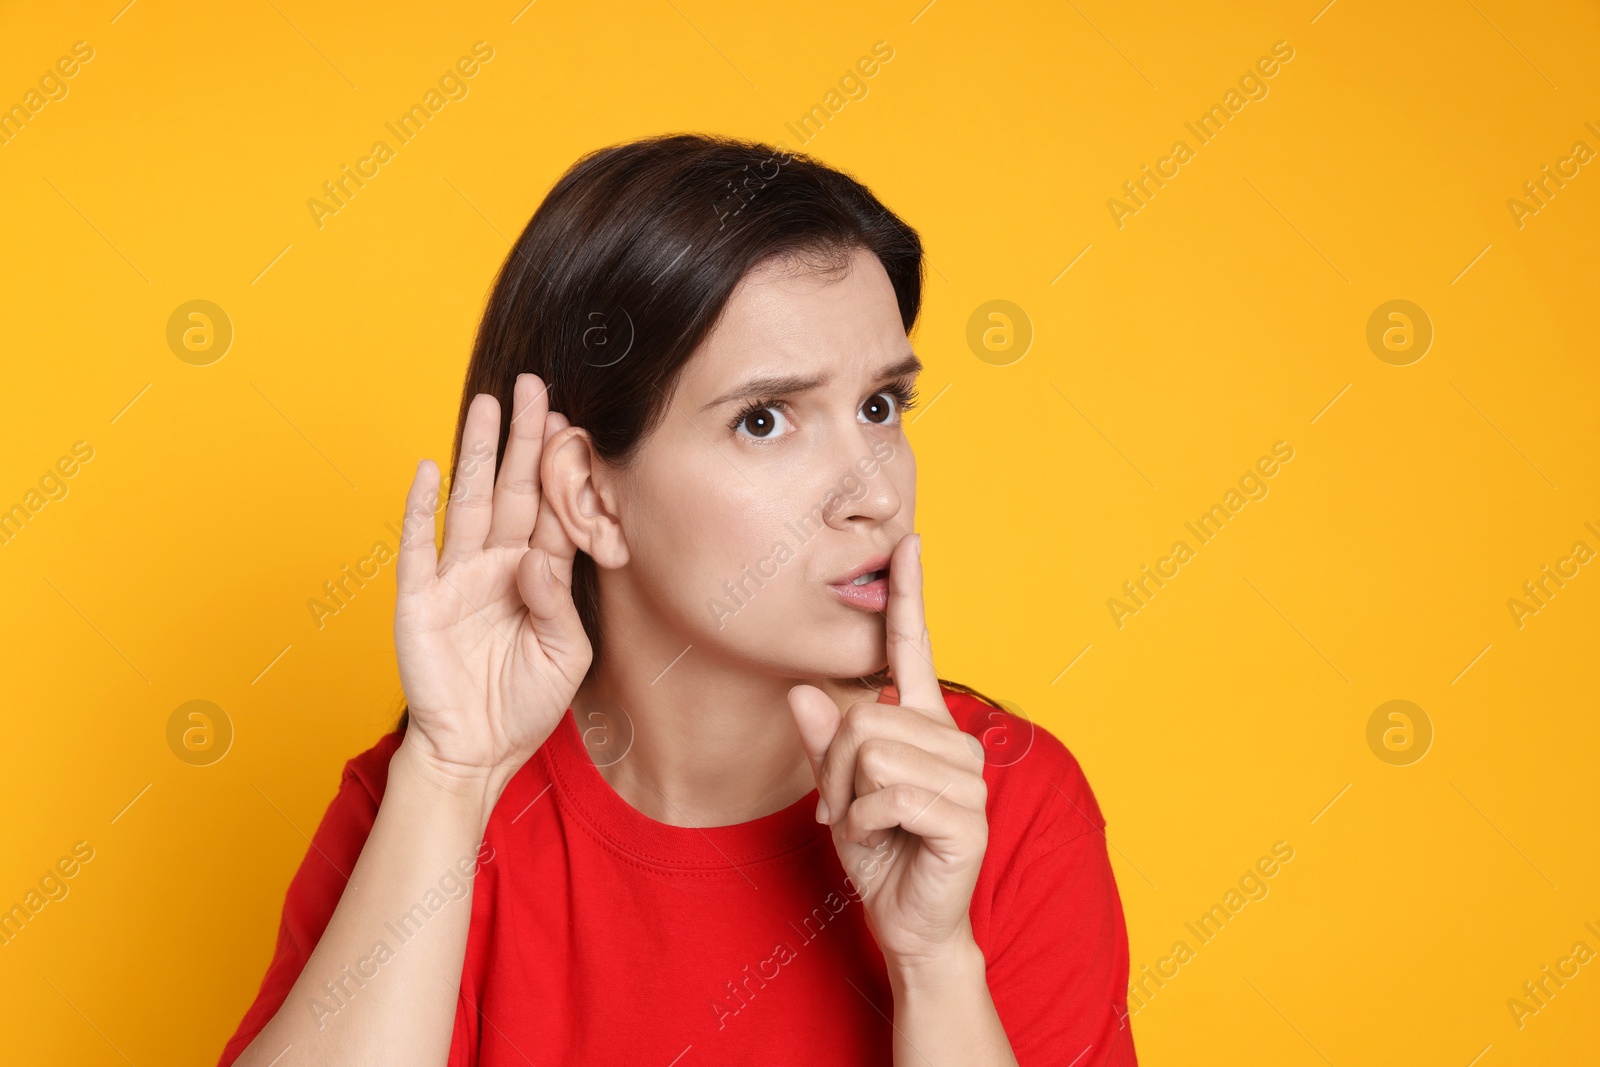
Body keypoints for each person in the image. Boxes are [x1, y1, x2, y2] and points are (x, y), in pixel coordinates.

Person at [219, 132, 1136, 1066]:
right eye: (765, 420)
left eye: (880, 407)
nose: (876, 492)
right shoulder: (422, 805)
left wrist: (936, 964)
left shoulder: (1002, 807)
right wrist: (450, 779)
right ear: (590, 494)